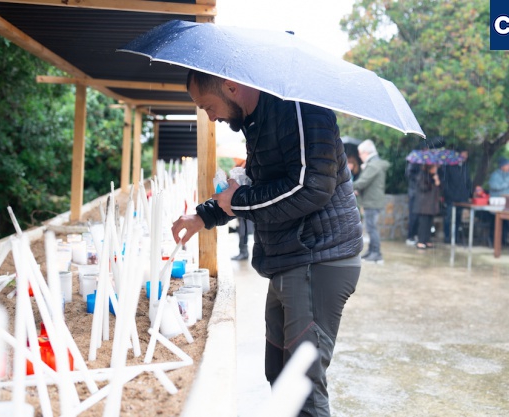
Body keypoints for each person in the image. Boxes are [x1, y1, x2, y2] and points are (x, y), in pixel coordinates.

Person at [171, 70, 363, 417]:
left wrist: (239, 199)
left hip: (317, 259)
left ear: (230, 87)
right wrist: (203, 217)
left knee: (301, 385)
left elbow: (311, 188)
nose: (209, 115)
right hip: (290, 259)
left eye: (207, 105)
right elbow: (255, 189)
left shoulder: (302, 110)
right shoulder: (258, 121)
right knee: (279, 374)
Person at [352, 139, 390, 264]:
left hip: (372, 202)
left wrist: (346, 186)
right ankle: (371, 252)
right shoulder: (375, 163)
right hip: (373, 200)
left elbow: (362, 182)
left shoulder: (373, 165)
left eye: (360, 153)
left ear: (365, 152)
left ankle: (377, 254)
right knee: (370, 228)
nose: (359, 156)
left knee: (371, 228)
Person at [438, 149, 472, 244]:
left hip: (461, 198)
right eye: (463, 154)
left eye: (466, 154)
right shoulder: (449, 166)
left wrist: (469, 194)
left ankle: (455, 237)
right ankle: (447, 237)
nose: (465, 156)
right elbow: (445, 181)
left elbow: (468, 181)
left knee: (458, 218)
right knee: (448, 217)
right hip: (450, 197)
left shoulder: (465, 167)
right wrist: (448, 193)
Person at [488, 156, 509, 245]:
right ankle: (493, 241)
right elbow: (494, 186)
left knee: (507, 222)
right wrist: (508, 184)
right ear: (502, 166)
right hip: (497, 203)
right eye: (507, 165)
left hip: (508, 203)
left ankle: (504, 240)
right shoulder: (495, 175)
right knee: (495, 222)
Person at [414, 164, 442, 249]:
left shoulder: (433, 176)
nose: (435, 169)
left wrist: (437, 182)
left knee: (429, 223)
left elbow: (438, 189)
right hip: (424, 204)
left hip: (431, 204)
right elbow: (423, 188)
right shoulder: (422, 176)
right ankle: (421, 241)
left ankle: (427, 240)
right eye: (434, 168)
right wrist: (433, 183)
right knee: (423, 223)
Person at [405, 162, 421, 245]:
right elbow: (409, 174)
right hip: (414, 193)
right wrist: (419, 177)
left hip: (419, 194)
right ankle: (410, 236)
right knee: (413, 216)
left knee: (418, 217)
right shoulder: (414, 163)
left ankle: (415, 235)